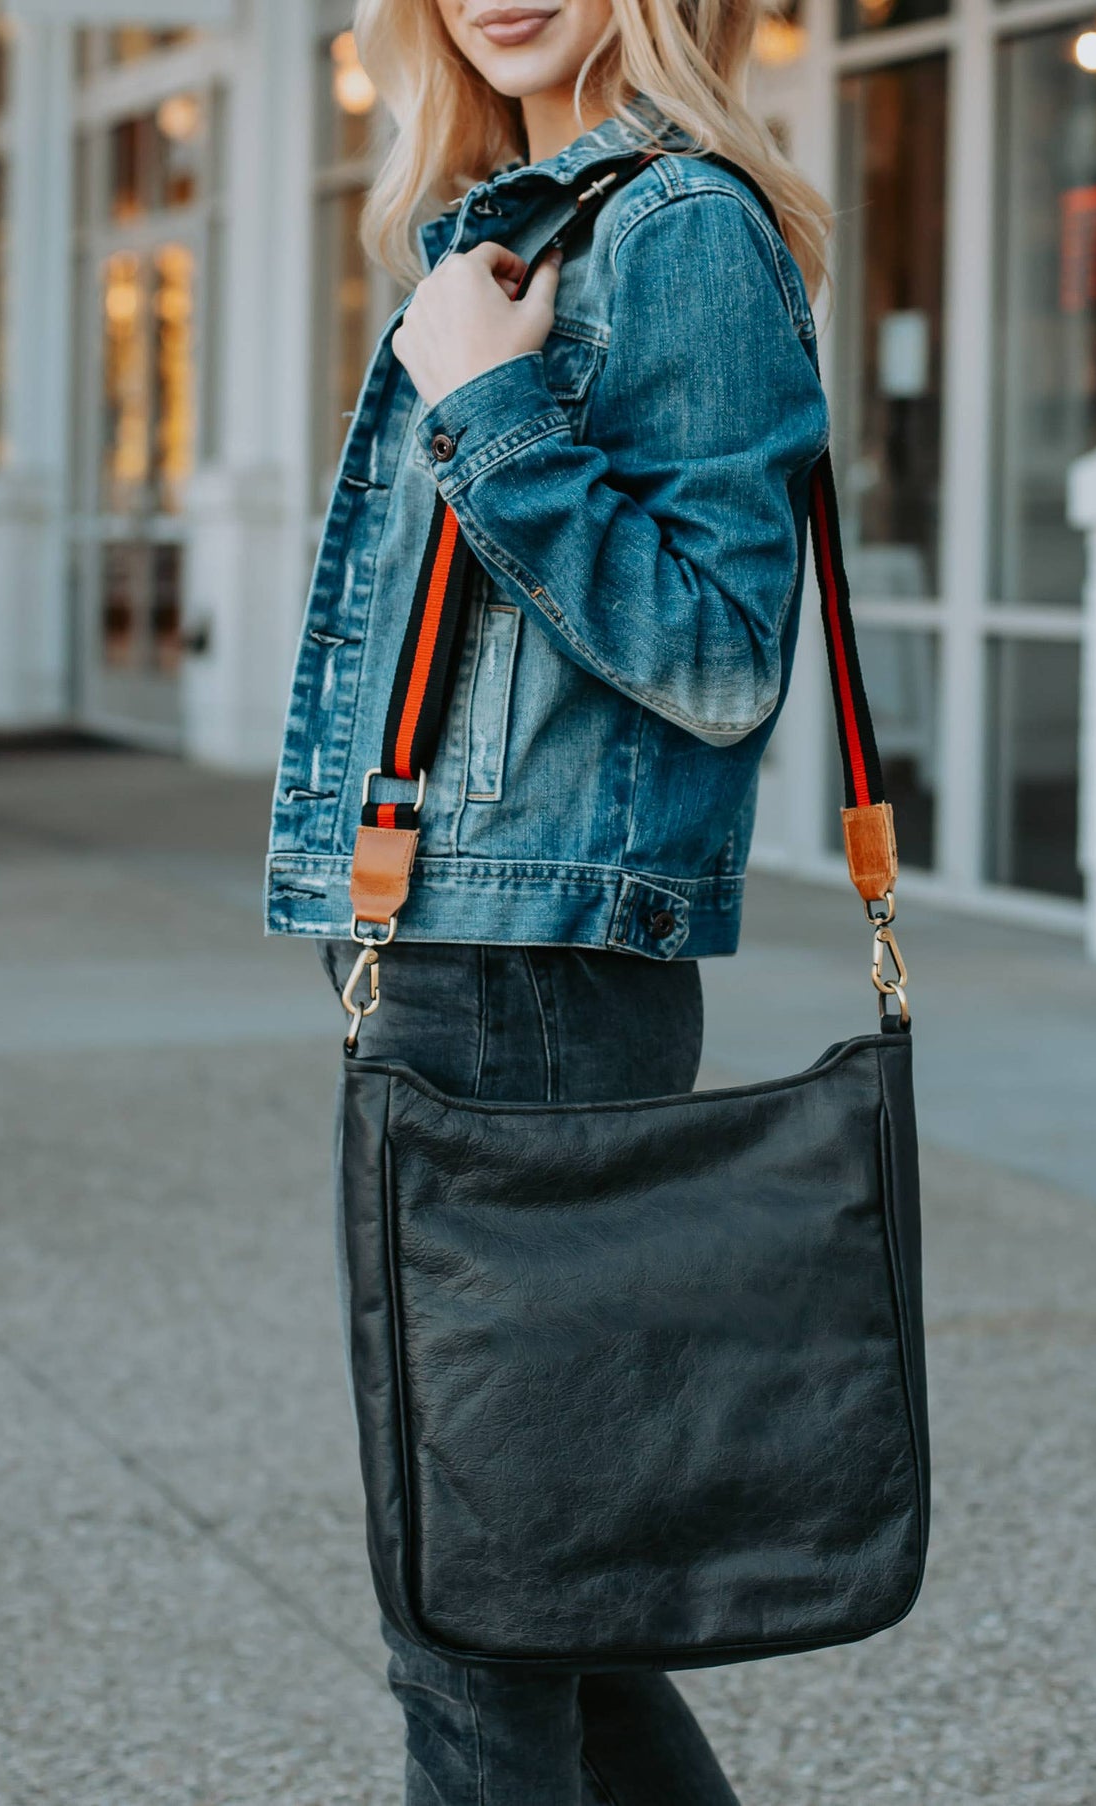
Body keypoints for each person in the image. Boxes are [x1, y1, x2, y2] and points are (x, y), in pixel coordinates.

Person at [264, 1, 835, 1799]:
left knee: (476, 1627)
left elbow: (723, 654)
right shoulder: (528, 222)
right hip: (470, 956)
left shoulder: (678, 226)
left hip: (530, 974)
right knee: (532, 1600)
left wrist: (489, 405)